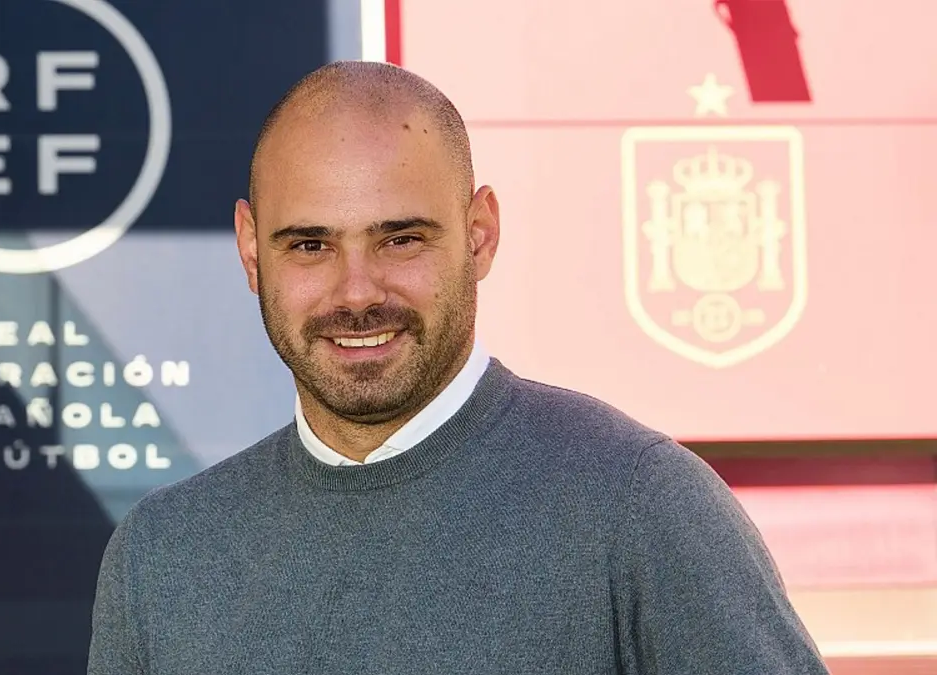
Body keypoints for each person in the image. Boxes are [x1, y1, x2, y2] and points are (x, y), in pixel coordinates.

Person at [87, 60, 830, 675]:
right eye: (310, 245)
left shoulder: (639, 505)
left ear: (480, 235)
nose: (357, 292)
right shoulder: (163, 556)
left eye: (401, 239)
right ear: (252, 252)